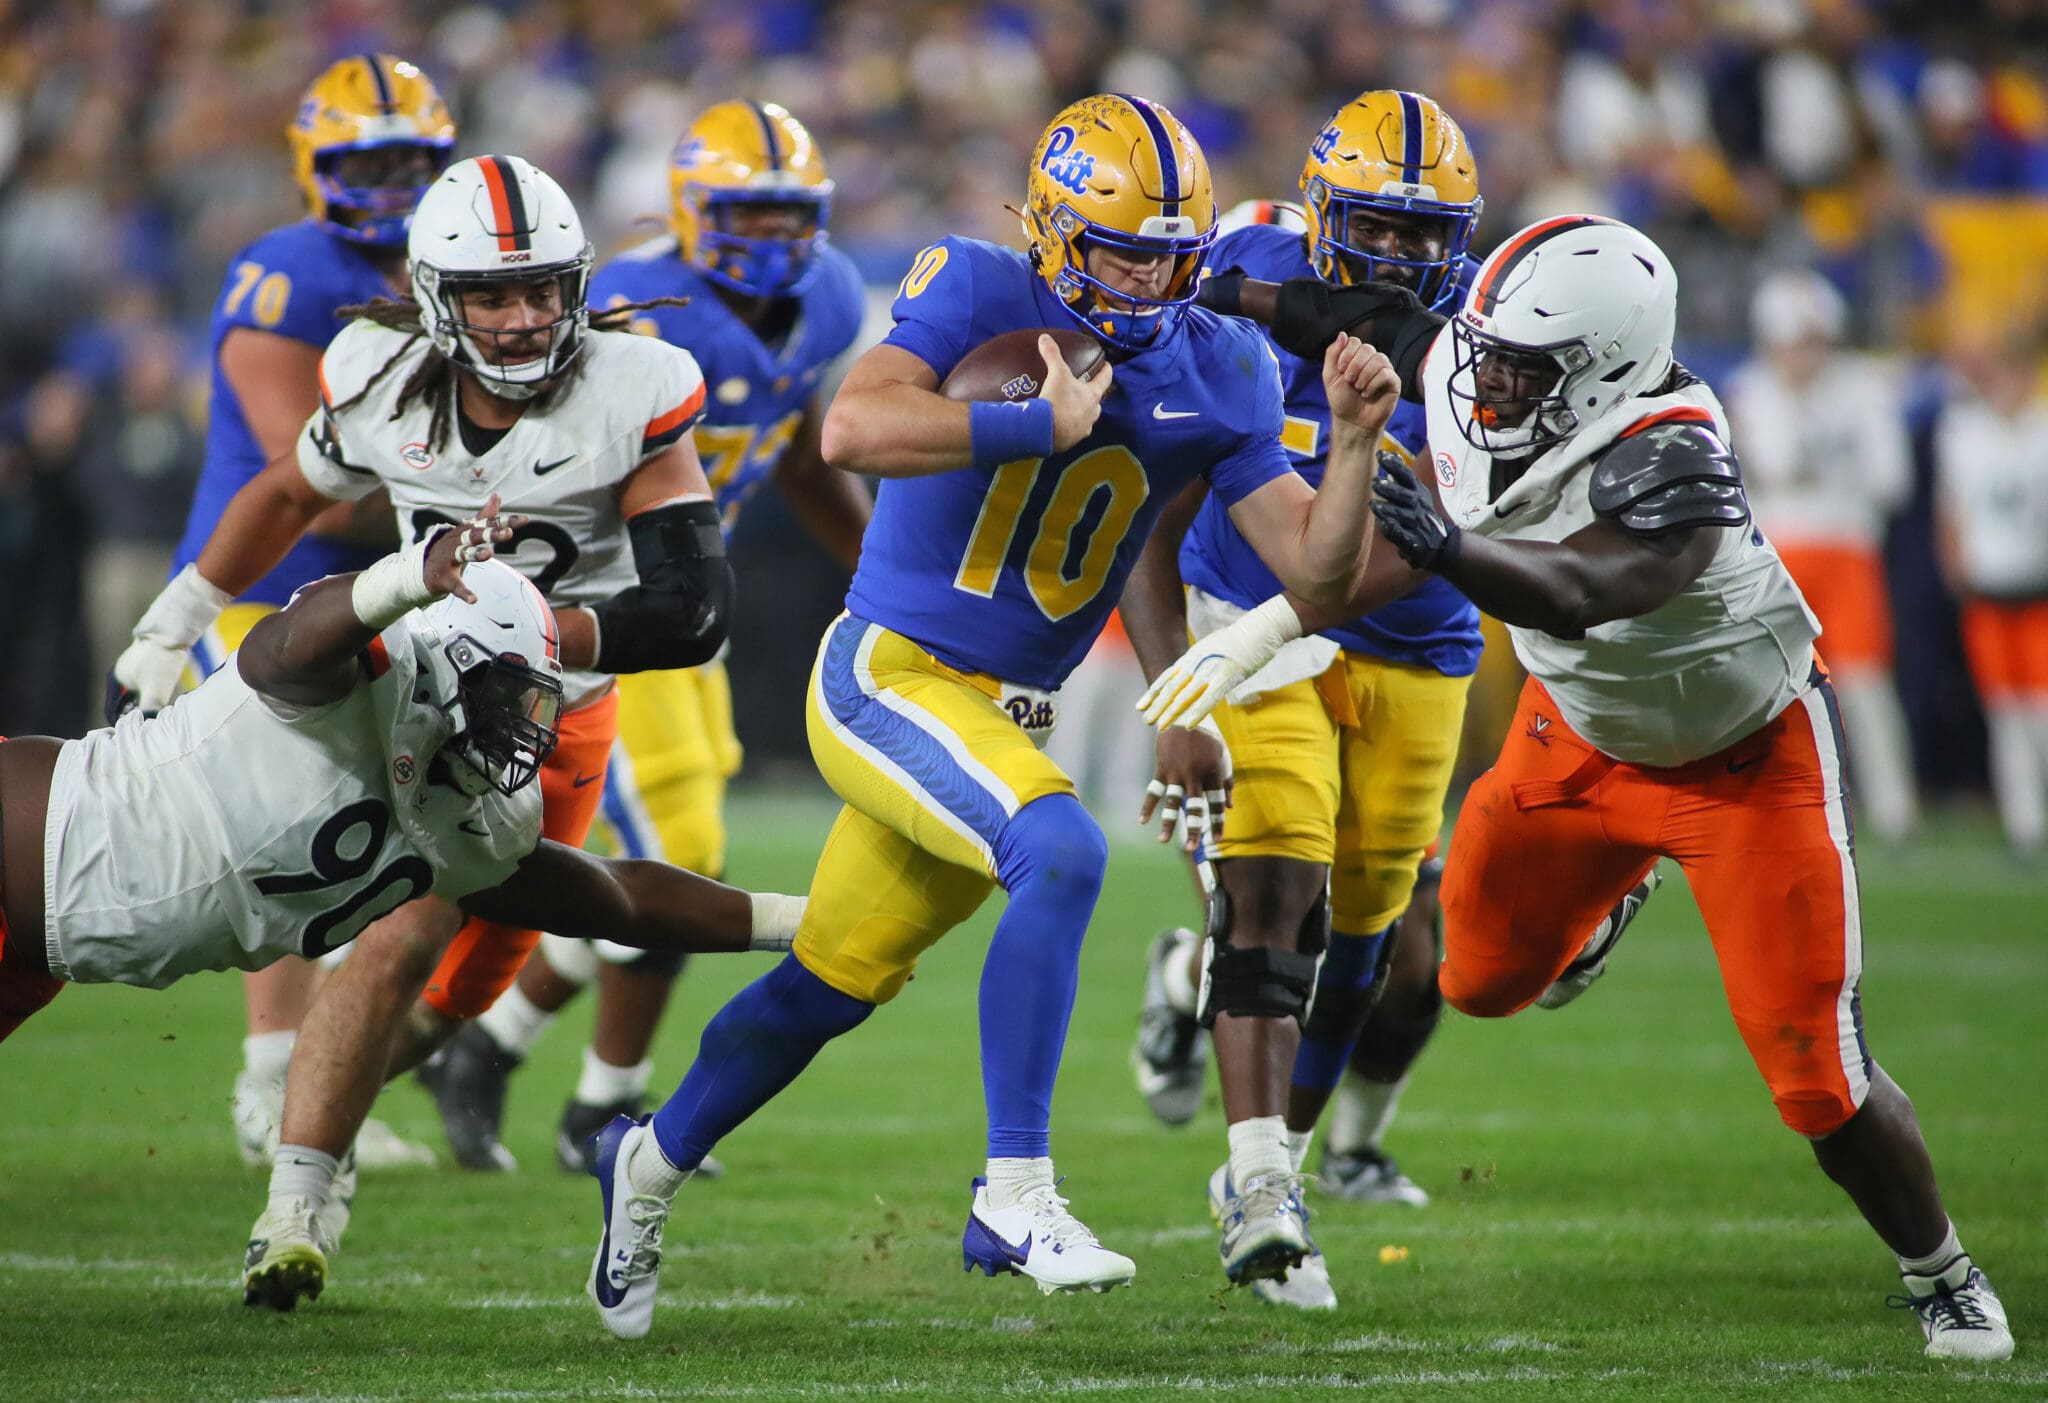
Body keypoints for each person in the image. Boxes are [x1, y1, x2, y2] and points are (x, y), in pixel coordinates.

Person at [580, 92, 1397, 1341]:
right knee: (1060, 848)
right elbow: (853, 424)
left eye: (1173, 254)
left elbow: (1315, 574)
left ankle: (647, 1161)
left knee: (826, 985)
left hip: (1004, 710)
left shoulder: (1218, 362)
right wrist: (1028, 417)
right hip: (886, 672)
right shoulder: (971, 285)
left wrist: (1346, 447)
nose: (1150, 276)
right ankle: (1013, 1191)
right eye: (1124, 248)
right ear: (1057, 230)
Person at [1139, 213, 2014, 1362]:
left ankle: (1940, 1270)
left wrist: (1446, 553)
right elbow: (1344, 317)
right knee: (1474, 976)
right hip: (1574, 740)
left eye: (1522, 363)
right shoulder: (1469, 355)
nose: (1485, 374)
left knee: (1815, 1071)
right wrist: (1194, 288)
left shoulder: (1673, 451)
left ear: (1602, 366)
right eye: (1485, 346)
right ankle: (1601, 902)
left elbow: (1581, 586)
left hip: (1742, 759)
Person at [113, 153, 740, 1296]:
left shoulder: (633, 384)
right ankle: (297, 1198)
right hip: (416, 694)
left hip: (559, 716)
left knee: (458, 991)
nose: (522, 316)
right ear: (437, 296)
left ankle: (315, 1120)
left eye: (544, 288)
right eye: (494, 294)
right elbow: (289, 493)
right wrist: (175, 620)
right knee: (405, 924)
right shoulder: (381, 380)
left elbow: (691, 608)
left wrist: (533, 632)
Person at [0, 532, 801, 1307]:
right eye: (505, 695)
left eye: (534, 700)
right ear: (445, 660)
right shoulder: (334, 680)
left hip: (44, 954)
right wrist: (410, 574)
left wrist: (802, 922)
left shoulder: (469, 822)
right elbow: (290, 641)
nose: (523, 727)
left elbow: (619, 897)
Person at [420, 100, 871, 1178]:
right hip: (594, 611)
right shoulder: (629, 312)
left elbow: (801, 453)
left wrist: (874, 571)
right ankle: (571, 1086)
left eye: (787, 217)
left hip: (680, 613)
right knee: (676, 852)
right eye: (744, 217)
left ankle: (511, 1054)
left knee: (674, 851)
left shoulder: (830, 298)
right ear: (687, 206)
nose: (769, 242)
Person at [1118, 92, 1489, 1311]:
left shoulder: (1493, 336)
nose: (1404, 257)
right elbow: (1148, 508)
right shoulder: (1222, 280)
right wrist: (1173, 683)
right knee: (1274, 888)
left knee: (1370, 955)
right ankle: (1263, 1178)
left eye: (1427, 235)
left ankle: (1189, 992)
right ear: (1322, 213)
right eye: (1377, 228)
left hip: (1415, 655)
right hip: (1246, 630)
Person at [130, 54, 457, 1172]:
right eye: (367, 160)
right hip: (269, 589)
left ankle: (315, 1077)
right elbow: (300, 470)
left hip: (391, 586)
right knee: (295, 829)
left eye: (413, 159)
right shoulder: (288, 268)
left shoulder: (453, 264)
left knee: (398, 834)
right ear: (314, 164)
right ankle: (272, 1083)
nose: (392, 182)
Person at [1726, 269, 1919, 840]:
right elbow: (1766, 471)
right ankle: (1765, 800)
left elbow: (1892, 479)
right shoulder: (1751, 390)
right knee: (1768, 684)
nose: (1802, 356)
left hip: (1847, 547)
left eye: (1812, 341)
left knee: (1862, 682)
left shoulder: (1864, 387)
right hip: (1777, 553)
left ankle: (1894, 809)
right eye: (1792, 342)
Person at [1933, 331, 2048, 861]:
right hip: (1990, 588)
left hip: (2037, 587)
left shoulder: (2041, 428)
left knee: (2041, 711)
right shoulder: (1966, 432)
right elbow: (1951, 510)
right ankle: (2026, 826)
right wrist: (1956, 569)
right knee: (2005, 714)